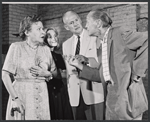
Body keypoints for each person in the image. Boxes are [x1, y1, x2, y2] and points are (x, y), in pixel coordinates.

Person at [68, 9, 148, 120]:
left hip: (128, 96)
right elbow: (101, 75)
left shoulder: (120, 32)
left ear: (98, 23)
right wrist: (80, 65)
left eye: (87, 22)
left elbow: (147, 41)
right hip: (111, 98)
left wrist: (137, 73)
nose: (85, 26)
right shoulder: (101, 45)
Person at [2, 15, 57, 120]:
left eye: (43, 29)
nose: (43, 32)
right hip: (22, 96)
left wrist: (48, 74)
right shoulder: (16, 47)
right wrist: (16, 99)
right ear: (27, 32)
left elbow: (55, 73)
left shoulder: (46, 49)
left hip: (42, 96)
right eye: (38, 29)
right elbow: (5, 75)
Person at [62, 11, 104, 120]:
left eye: (76, 20)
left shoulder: (95, 37)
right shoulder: (65, 44)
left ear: (81, 20)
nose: (76, 24)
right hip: (75, 95)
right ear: (66, 27)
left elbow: (101, 64)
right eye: (71, 23)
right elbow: (68, 72)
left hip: (93, 91)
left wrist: (85, 61)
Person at [42, 27, 73, 119]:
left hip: (60, 90)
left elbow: (64, 74)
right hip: (49, 91)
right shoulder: (43, 54)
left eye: (55, 36)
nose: (54, 38)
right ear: (44, 39)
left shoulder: (59, 56)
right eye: (49, 36)